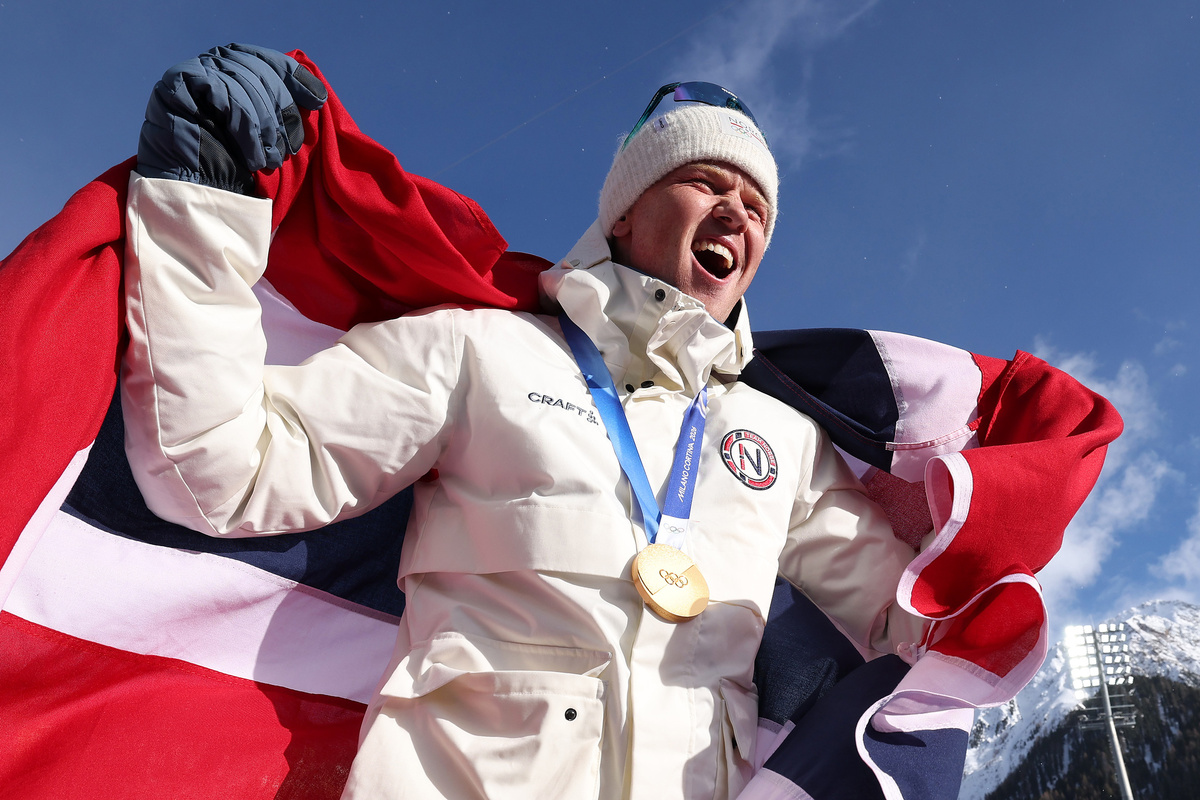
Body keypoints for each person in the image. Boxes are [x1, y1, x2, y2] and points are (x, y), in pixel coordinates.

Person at [119, 46, 929, 799]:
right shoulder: (481, 350)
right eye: (709, 181)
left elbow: (913, 620)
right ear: (625, 215)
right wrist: (205, 202)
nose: (737, 213)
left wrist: (1009, 512)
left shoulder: (780, 440)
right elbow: (227, 469)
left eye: (757, 206)